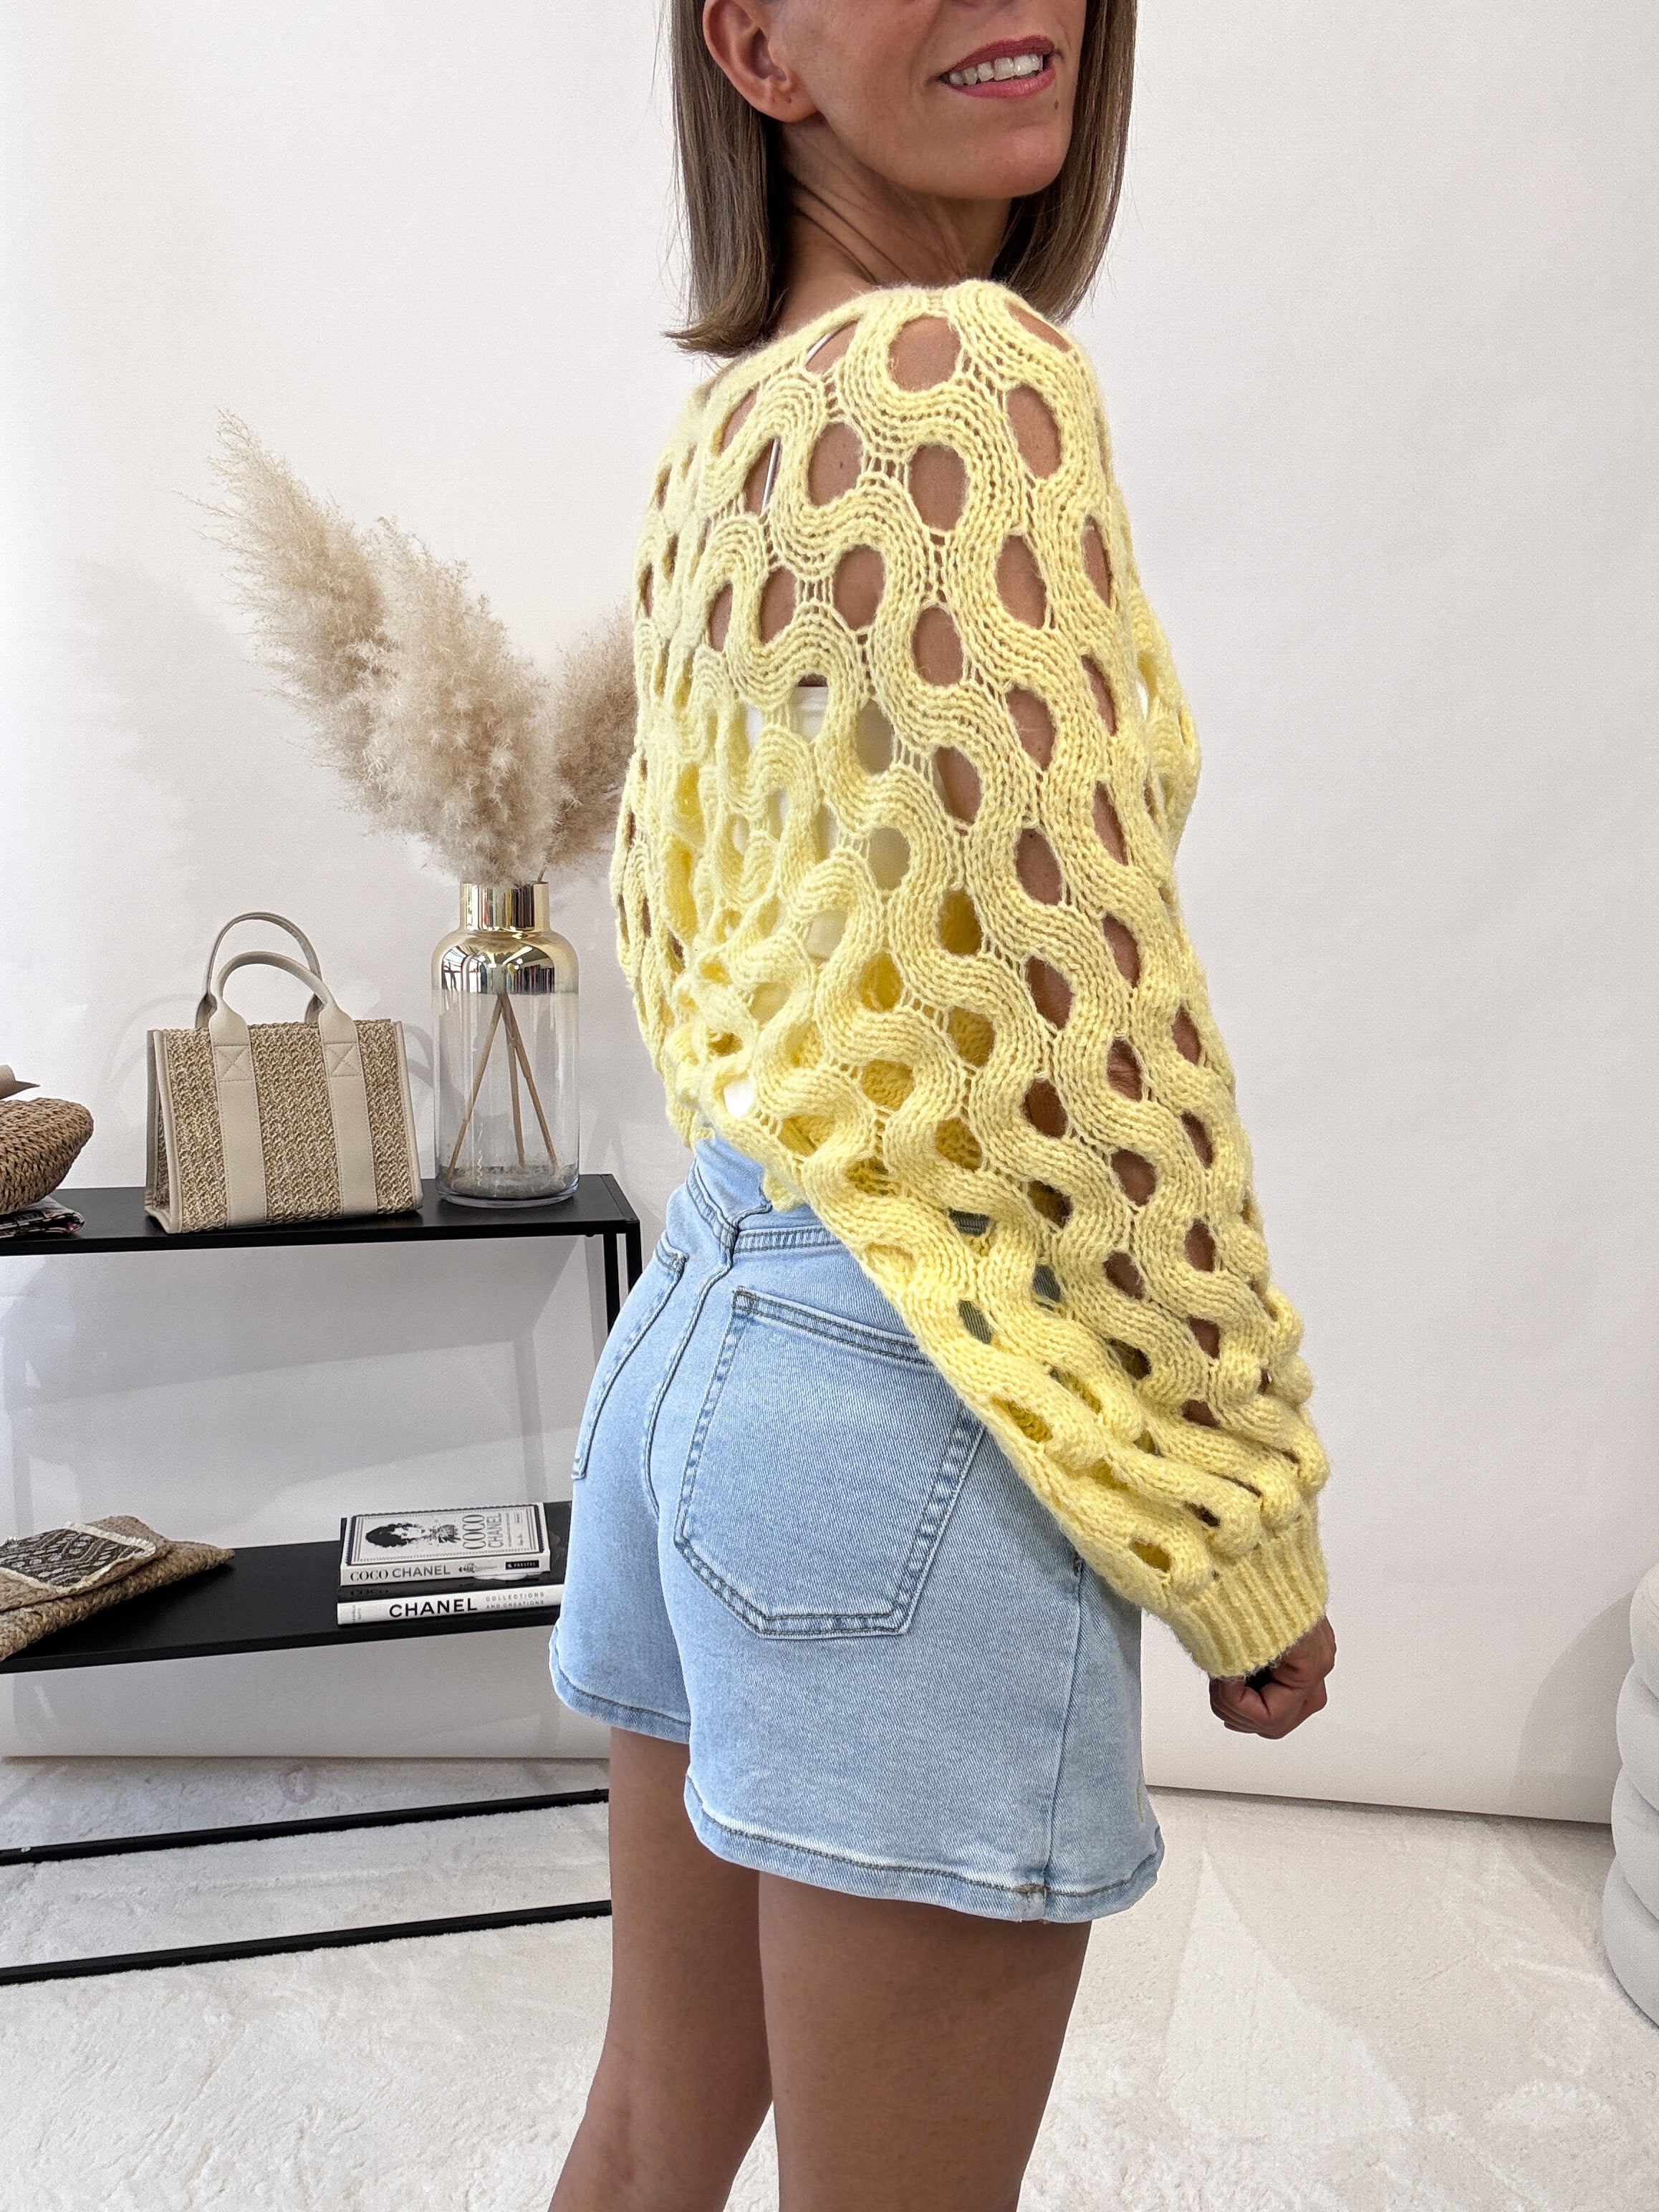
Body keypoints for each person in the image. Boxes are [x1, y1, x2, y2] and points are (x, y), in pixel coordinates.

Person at [550, 6, 1338, 2206]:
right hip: (906, 1410)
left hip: (701, 1354)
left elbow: (678, 939)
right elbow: (1088, 1017)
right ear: (754, 45)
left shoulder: (730, 433)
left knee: (644, 2149)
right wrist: (1234, 1503)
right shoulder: (953, 383)